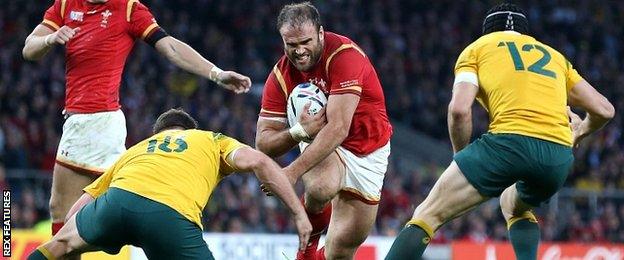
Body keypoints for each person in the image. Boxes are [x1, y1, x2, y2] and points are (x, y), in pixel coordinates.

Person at [385, 3, 615, 260]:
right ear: (526, 35)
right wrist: (579, 132)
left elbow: (459, 110)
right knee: (513, 205)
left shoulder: (477, 49)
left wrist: (462, 158)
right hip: (558, 156)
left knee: (428, 214)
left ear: (488, 32)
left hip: (508, 143)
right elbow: (604, 110)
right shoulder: (555, 57)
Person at [22, 0, 252, 236]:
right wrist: (50, 39)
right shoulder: (65, 6)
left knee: (68, 215)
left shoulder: (128, 8)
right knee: (79, 215)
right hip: (82, 122)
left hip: (95, 122)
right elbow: (29, 48)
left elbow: (169, 46)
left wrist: (216, 73)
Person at [27, 108, 311, 260]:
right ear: (189, 130)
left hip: (116, 202)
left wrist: (67, 241)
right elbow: (259, 161)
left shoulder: (137, 149)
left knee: (58, 246)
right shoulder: (211, 139)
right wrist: (299, 215)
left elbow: (79, 207)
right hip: (169, 214)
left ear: (159, 133)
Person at [256, 2, 393, 259]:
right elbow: (263, 142)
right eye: (291, 45)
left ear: (320, 33)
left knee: (341, 249)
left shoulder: (344, 56)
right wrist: (298, 131)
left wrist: (292, 172)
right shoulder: (280, 76)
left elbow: (339, 127)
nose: (299, 51)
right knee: (320, 187)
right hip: (322, 138)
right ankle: (304, 254)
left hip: (369, 148)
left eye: (305, 42)